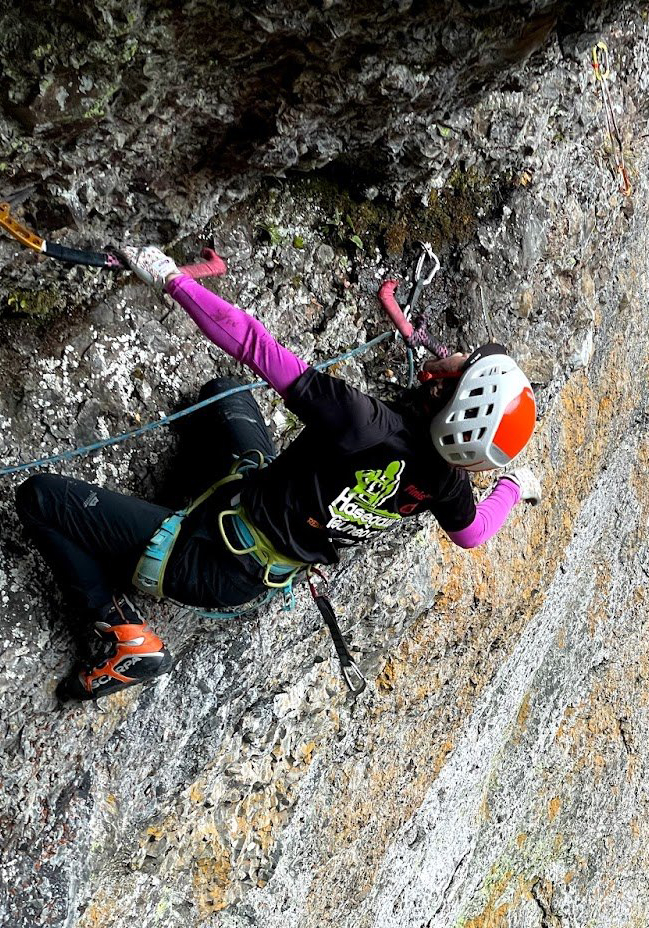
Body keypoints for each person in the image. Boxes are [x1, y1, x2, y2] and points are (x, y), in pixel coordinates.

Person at [15, 246, 542, 702]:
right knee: (226, 394)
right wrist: (514, 488)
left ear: (447, 396)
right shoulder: (447, 481)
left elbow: (253, 344)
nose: (454, 354)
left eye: (463, 366)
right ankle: (171, 515)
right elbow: (472, 532)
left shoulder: (363, 422)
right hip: (259, 543)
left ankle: (126, 635)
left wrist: (173, 280)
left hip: (211, 559)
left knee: (39, 497)